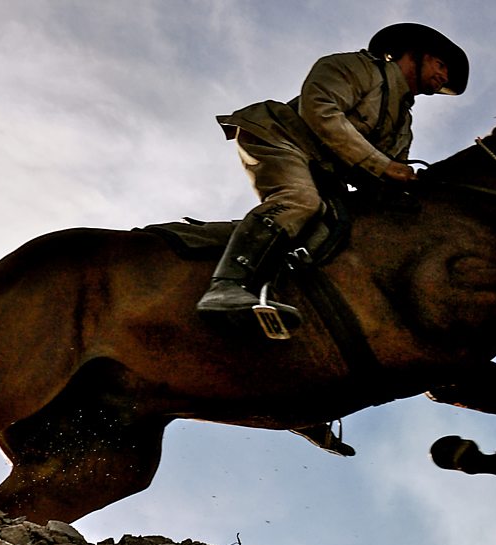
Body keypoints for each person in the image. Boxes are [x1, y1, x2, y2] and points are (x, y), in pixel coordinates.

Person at [197, 23, 469, 328]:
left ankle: (274, 290)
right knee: (299, 201)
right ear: (413, 55)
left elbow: (386, 177)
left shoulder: (403, 125)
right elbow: (320, 110)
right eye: (441, 65)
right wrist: (383, 166)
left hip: (324, 173)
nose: (444, 77)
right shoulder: (356, 67)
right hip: (280, 137)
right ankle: (226, 287)